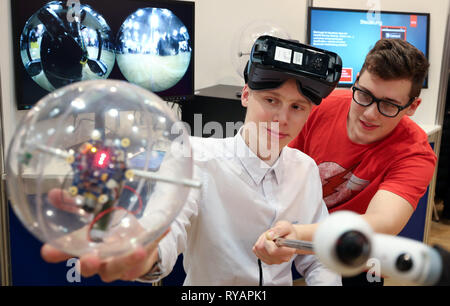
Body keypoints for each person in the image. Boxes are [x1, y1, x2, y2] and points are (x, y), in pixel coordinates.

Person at [41, 37, 342, 285]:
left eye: (297, 107)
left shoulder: (304, 170)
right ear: (247, 95)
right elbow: (166, 231)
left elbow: (320, 259)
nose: (282, 118)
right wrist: (145, 254)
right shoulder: (193, 158)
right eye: (271, 100)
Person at [253, 38, 437, 286]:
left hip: (351, 248)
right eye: (364, 94)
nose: (370, 113)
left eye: (389, 105)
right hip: (290, 226)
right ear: (356, 79)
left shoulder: (415, 153)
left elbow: (382, 223)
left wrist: (299, 236)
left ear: (412, 106)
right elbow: (272, 169)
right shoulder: (318, 108)